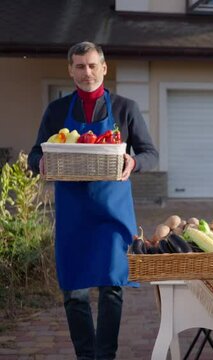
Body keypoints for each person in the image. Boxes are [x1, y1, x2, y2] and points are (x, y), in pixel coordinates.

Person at [28, 41, 158, 360]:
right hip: (73, 212)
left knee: (112, 287)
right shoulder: (56, 111)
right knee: (74, 291)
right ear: (70, 70)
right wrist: (40, 163)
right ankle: (87, 356)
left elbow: (150, 153)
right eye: (79, 66)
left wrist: (134, 162)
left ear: (104, 68)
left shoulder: (125, 108)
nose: (86, 72)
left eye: (91, 65)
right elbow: (35, 152)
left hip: (112, 212)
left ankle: (106, 355)